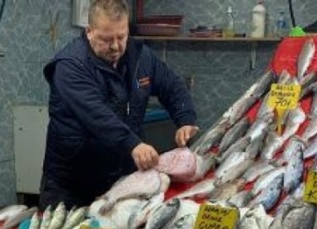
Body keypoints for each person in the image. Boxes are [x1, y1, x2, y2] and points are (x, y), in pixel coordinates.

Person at [40, 0, 199, 208]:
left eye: (121, 37)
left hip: (124, 177)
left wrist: (185, 119)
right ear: (89, 32)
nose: (115, 46)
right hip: (73, 185)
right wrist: (133, 143)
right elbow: (96, 115)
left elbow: (171, 86)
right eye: (106, 39)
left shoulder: (141, 56)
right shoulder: (70, 66)